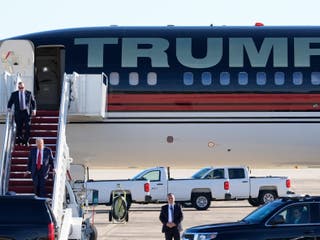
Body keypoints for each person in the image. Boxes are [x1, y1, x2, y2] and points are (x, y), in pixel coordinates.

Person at [7, 81, 36, 146]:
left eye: (22, 87)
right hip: (18, 113)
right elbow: (10, 102)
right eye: (20, 88)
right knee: (19, 128)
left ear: (24, 87)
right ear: (18, 87)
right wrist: (9, 108)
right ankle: (19, 141)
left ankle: (26, 141)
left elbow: (33, 102)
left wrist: (34, 109)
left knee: (27, 127)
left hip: (26, 113)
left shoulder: (29, 93)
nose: (21, 89)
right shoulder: (14, 94)